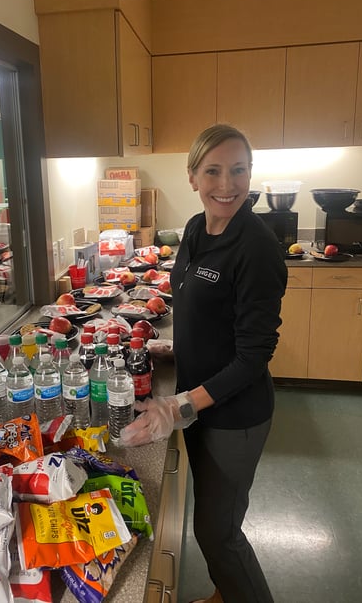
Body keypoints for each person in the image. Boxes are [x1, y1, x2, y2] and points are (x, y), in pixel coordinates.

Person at [121, 124, 287, 603]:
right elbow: (195, 304)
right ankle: (223, 594)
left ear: (250, 173)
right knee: (211, 516)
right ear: (192, 176)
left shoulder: (256, 249)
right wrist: (174, 350)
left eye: (239, 170)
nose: (227, 184)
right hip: (197, 399)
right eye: (212, 171)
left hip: (235, 414)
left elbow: (253, 355)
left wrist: (180, 406)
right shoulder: (196, 229)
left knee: (219, 533)